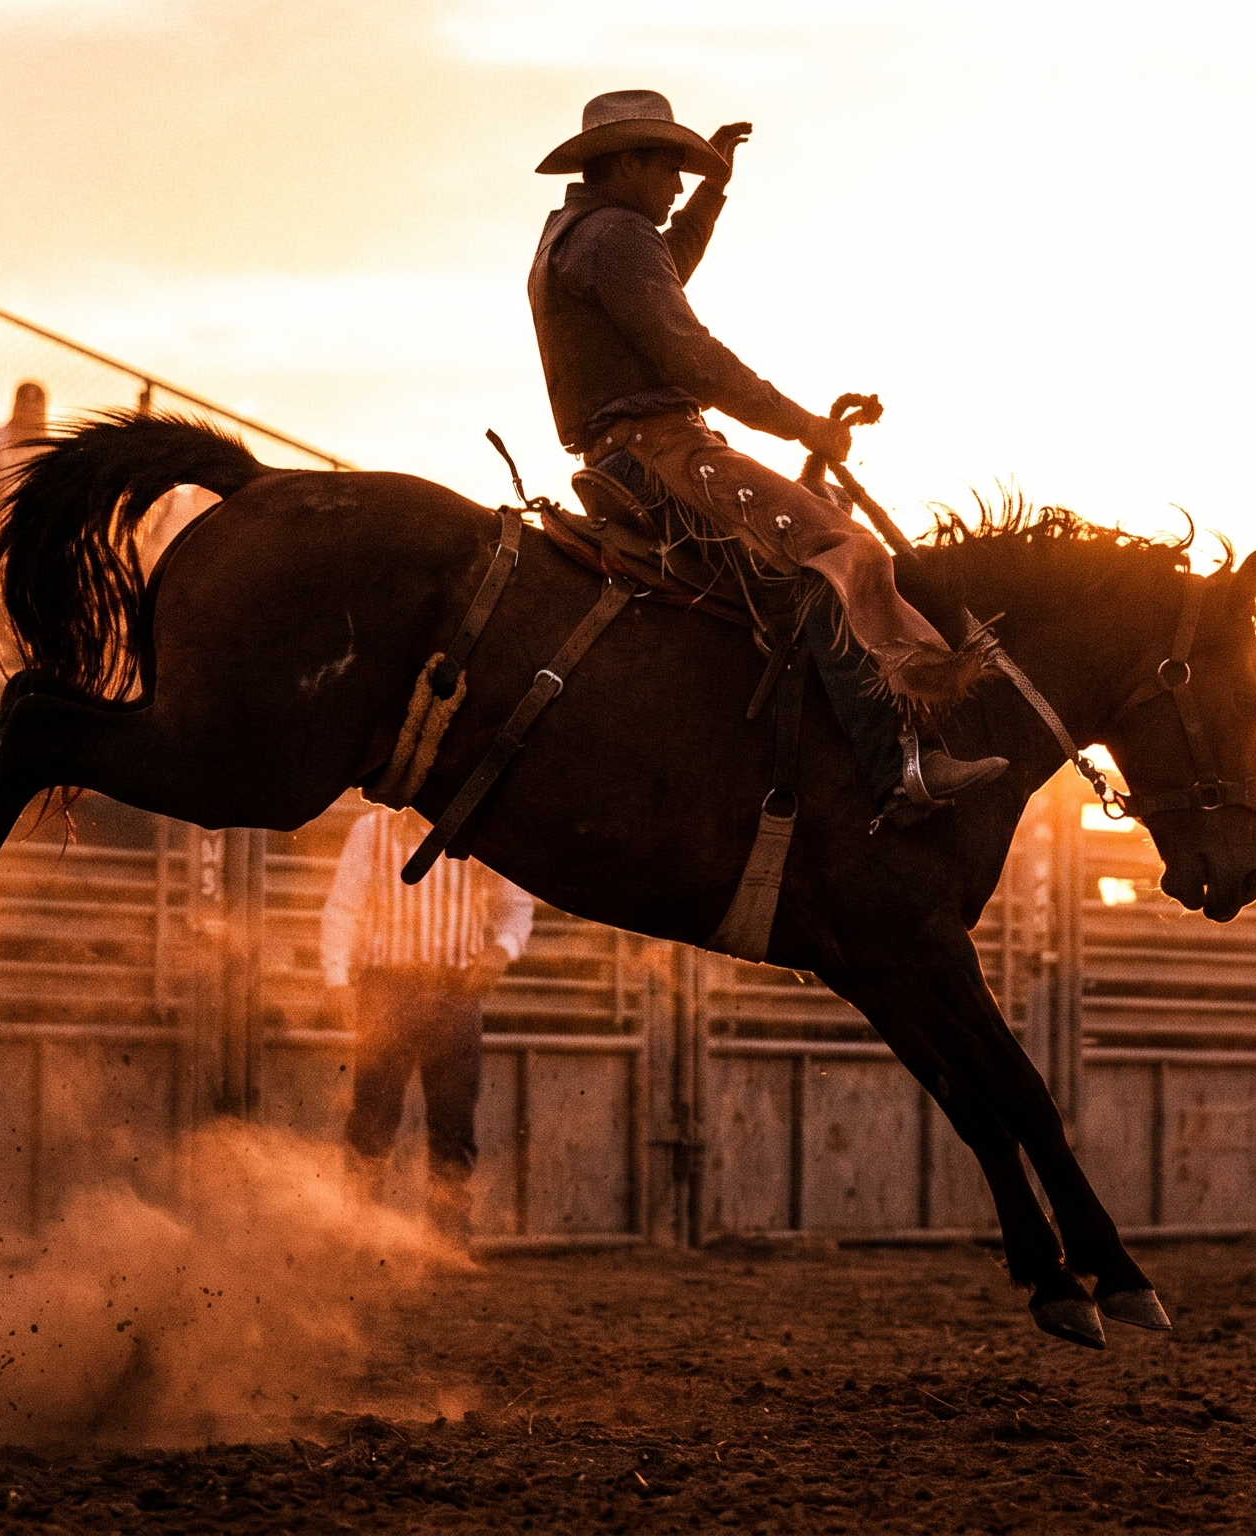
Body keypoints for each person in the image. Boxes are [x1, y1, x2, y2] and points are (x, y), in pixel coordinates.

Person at [525, 91, 1002, 820]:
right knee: (843, 553)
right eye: (668, 167)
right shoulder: (617, 235)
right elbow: (690, 356)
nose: (678, 183)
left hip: (629, 450)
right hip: (663, 450)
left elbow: (662, 270)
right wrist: (803, 426)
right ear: (624, 163)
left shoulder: (582, 234)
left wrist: (712, 195)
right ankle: (898, 770)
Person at [320, 802, 534, 1243]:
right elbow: (343, 906)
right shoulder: (371, 830)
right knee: (374, 1114)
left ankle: (447, 1236)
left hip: (455, 991)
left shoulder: (479, 834)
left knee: (454, 1117)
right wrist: (337, 980)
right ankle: (360, 1232)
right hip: (386, 989)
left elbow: (516, 904)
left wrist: (501, 950)